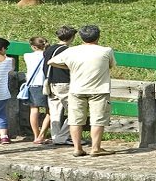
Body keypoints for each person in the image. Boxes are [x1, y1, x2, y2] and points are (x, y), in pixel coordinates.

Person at [48, 25, 115, 157]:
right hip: (99, 89)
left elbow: (51, 62)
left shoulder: (72, 51)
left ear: (81, 37)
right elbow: (111, 65)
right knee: (98, 119)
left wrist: (69, 66)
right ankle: (96, 148)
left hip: (76, 89)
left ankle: (77, 148)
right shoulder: (106, 51)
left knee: (75, 120)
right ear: (98, 36)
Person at [37, 26, 77, 145]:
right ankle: (62, 136)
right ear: (72, 37)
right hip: (65, 83)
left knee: (54, 112)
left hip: (50, 83)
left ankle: (56, 136)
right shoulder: (68, 50)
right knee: (75, 111)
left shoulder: (49, 49)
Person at [23, 36, 49, 144]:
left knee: (34, 110)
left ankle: (36, 135)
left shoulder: (27, 56)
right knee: (50, 111)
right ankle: (42, 134)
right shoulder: (47, 55)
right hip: (46, 84)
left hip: (32, 84)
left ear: (33, 46)